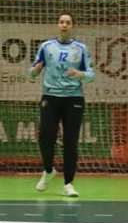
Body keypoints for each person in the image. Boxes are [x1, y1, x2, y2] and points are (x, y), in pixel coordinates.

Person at [29, 13, 94, 197]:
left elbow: (92, 74)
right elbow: (31, 73)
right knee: (45, 137)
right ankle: (49, 170)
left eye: (68, 22)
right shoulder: (46, 47)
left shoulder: (81, 48)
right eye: (61, 22)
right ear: (57, 25)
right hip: (51, 96)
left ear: (72, 26)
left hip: (74, 98)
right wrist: (36, 70)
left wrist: (81, 74)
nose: (64, 25)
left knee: (70, 142)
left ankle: (68, 183)